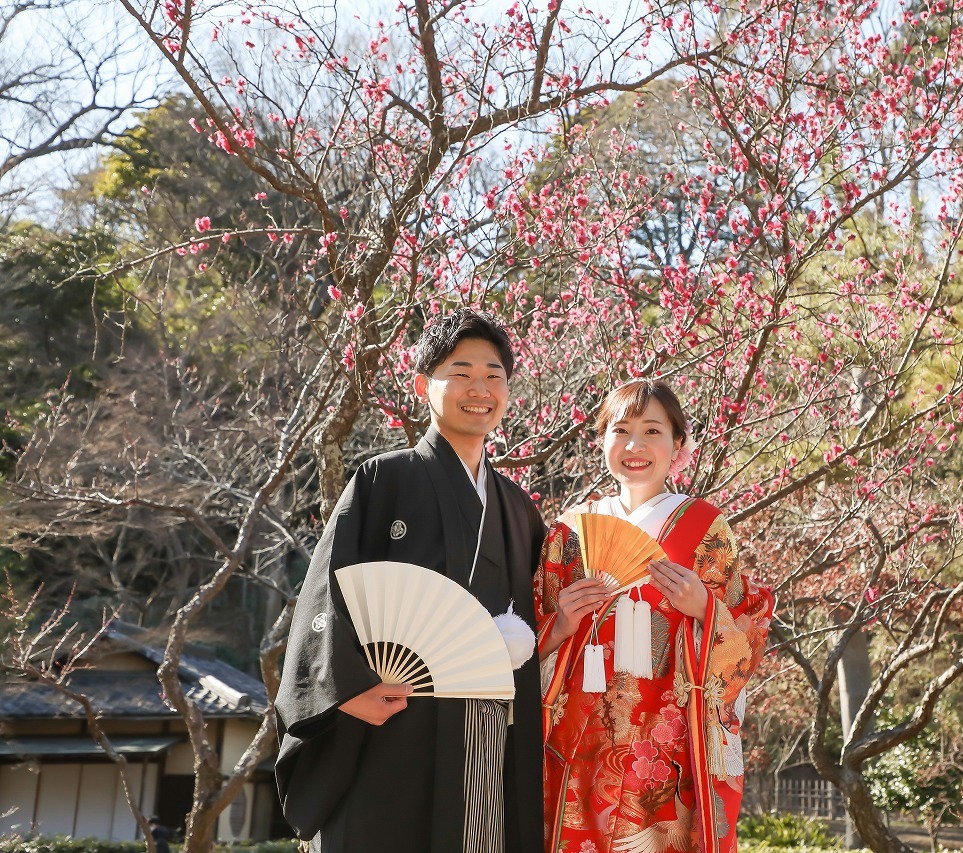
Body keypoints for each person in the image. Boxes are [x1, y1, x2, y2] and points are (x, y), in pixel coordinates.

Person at [275, 308, 547, 853]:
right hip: (392, 718)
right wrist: (345, 692)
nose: (480, 389)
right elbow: (327, 589)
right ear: (424, 385)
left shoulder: (517, 507)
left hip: (487, 729)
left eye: (493, 376)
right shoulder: (384, 479)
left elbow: (534, 611)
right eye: (461, 373)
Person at [536, 380, 774, 853]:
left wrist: (705, 608)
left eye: (652, 431)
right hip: (578, 733)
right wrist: (559, 625)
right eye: (620, 431)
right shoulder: (570, 530)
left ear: (677, 443)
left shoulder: (704, 526)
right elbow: (533, 622)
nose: (635, 446)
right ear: (601, 440)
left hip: (666, 738)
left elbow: (746, 628)